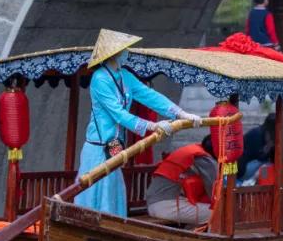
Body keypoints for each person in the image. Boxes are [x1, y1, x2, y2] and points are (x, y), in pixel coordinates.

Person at [76, 29, 201, 216]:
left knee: (113, 188)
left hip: (115, 146)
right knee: (98, 191)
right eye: (124, 50)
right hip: (98, 148)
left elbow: (149, 95)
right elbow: (118, 114)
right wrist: (153, 126)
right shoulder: (100, 78)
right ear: (115, 53)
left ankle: (113, 223)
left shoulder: (124, 75)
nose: (127, 53)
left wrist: (181, 113)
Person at [146, 136, 218, 226]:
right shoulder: (203, 158)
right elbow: (214, 191)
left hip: (158, 204)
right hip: (166, 205)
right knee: (220, 213)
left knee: (208, 210)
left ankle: (192, 232)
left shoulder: (193, 150)